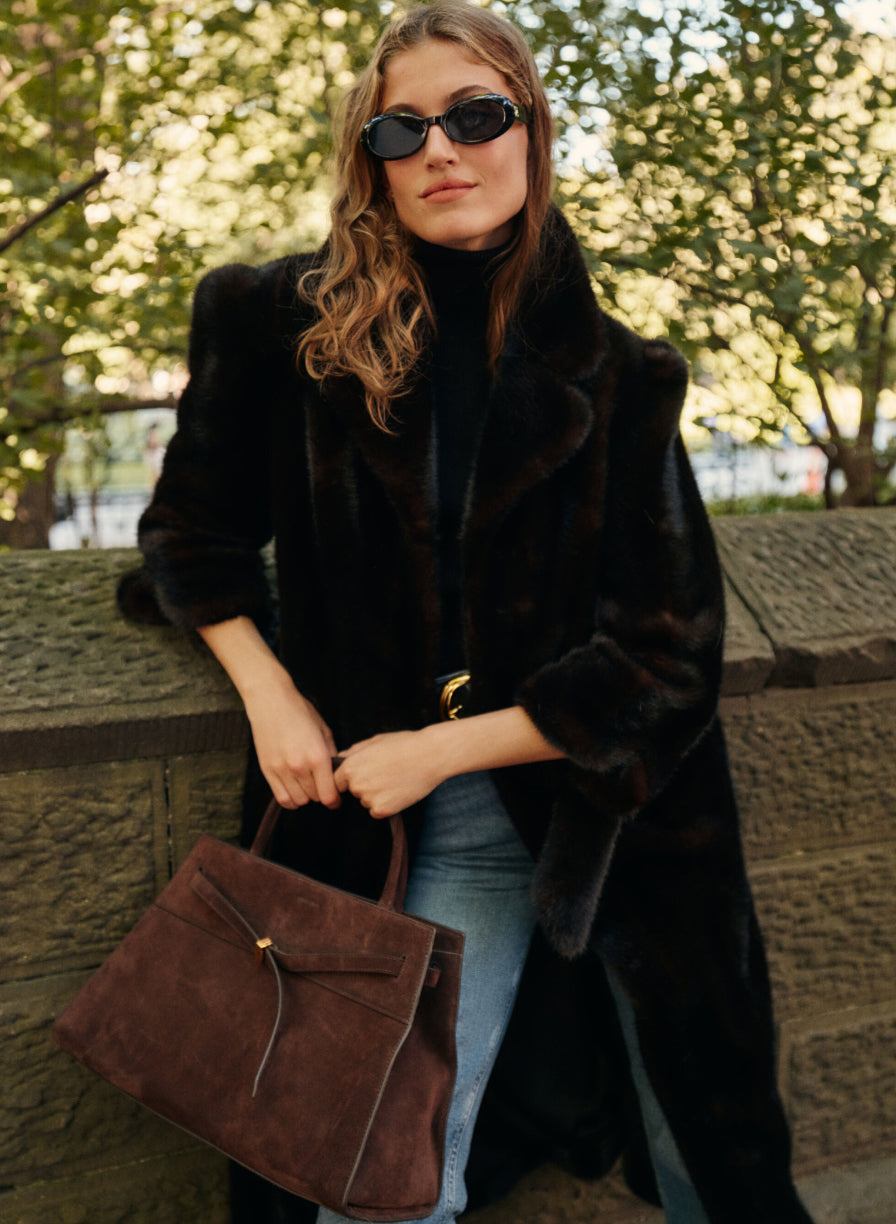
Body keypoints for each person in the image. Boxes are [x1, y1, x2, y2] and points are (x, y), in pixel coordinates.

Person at [118, 4, 814, 1222]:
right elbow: (189, 535)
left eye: (475, 115)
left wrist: (442, 746)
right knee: (375, 1180)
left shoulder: (620, 373)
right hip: (389, 829)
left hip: (611, 822)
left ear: (532, 133)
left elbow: (665, 659)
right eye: (402, 126)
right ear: (369, 157)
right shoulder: (273, 324)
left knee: (715, 1160)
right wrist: (270, 692)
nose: (440, 149)